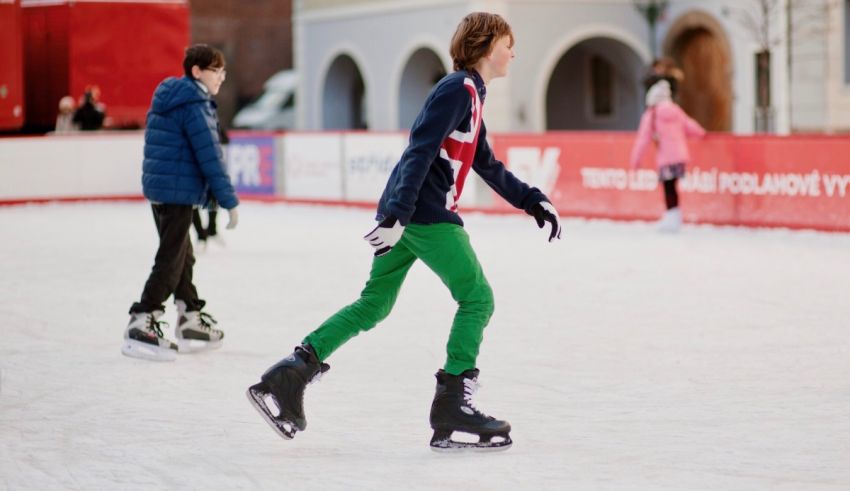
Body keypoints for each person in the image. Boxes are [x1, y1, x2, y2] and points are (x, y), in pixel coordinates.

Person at [246, 12, 562, 451]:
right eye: (509, 43)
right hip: (423, 214)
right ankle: (453, 404)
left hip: (408, 213)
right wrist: (398, 214)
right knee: (477, 298)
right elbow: (419, 148)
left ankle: (289, 374)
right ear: (488, 46)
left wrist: (531, 199)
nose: (514, 52)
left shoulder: (471, 95)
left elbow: (486, 162)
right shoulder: (458, 89)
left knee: (374, 304)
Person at [122, 44, 239, 362]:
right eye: (217, 71)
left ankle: (189, 317)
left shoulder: (172, 97)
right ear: (197, 71)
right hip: (177, 192)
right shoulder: (194, 102)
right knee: (171, 259)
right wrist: (229, 201)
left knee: (182, 255)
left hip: (162, 189)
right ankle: (142, 319)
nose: (222, 77)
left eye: (223, 71)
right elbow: (210, 155)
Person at [629, 79, 705, 233]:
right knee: (672, 187)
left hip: (666, 157)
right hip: (680, 156)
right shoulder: (676, 110)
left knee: (668, 188)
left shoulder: (652, 114)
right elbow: (690, 125)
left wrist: (635, 161)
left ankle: (672, 218)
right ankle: (673, 217)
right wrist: (702, 133)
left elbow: (643, 139)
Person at [192, 127, 227, 251]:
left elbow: (225, 139)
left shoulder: (211, 117)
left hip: (210, 165)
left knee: (212, 197)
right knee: (192, 202)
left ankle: (212, 228)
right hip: (192, 167)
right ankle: (201, 235)